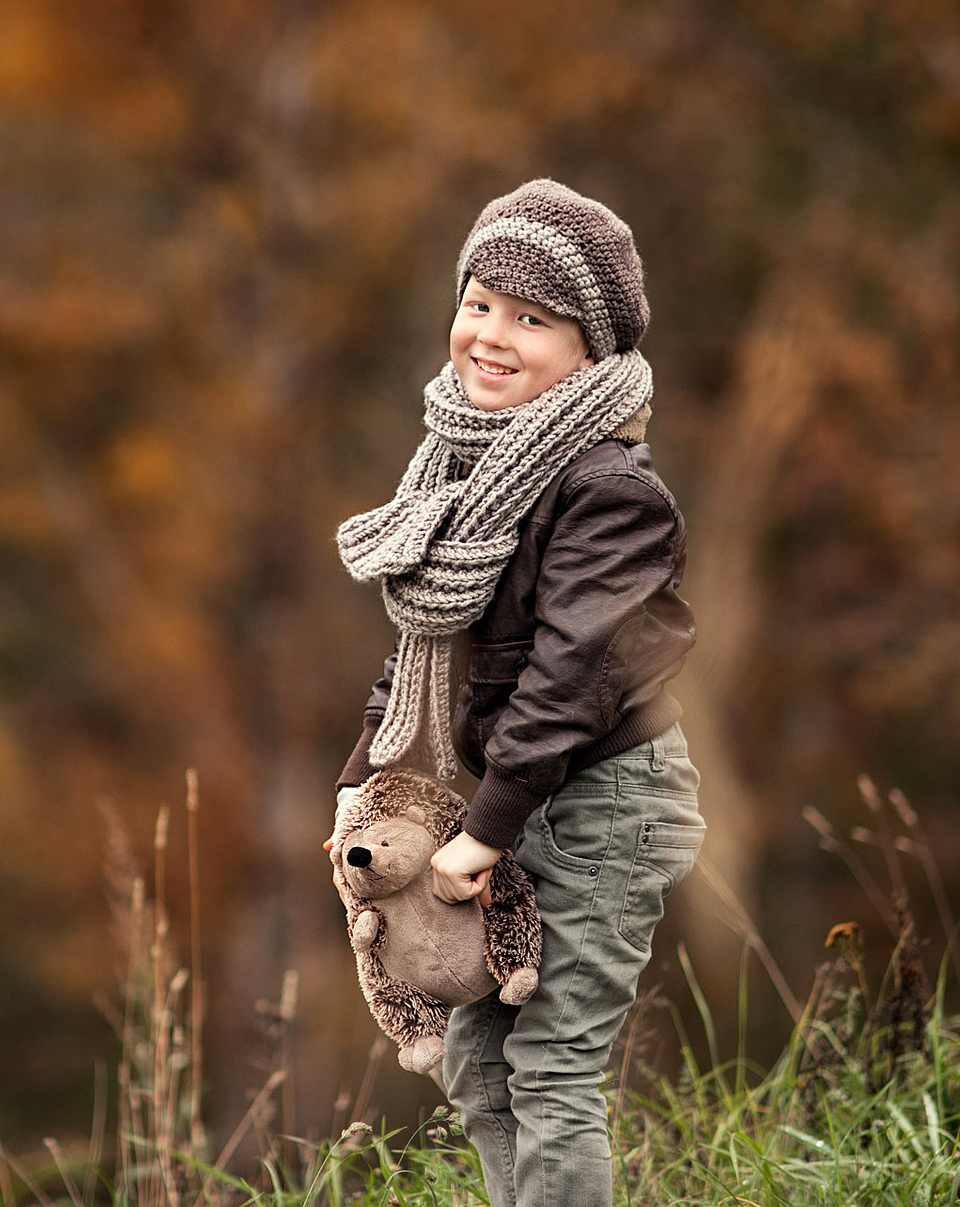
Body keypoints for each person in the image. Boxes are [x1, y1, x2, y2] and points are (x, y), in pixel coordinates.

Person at [326, 178, 704, 1207]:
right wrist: (361, 784)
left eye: (531, 318)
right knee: (476, 1065)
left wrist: (484, 830)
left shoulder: (610, 489)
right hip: (504, 797)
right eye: (479, 303)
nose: (489, 335)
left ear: (590, 349)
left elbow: (571, 675)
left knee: (549, 1067)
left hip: (598, 806)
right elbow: (420, 648)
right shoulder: (458, 461)